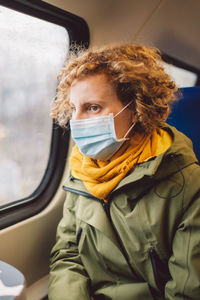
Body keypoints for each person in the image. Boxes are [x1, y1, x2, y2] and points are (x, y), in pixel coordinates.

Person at [48, 44, 200, 300]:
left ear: (136, 109)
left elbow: (187, 291)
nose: (77, 122)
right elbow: (67, 254)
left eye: (93, 107)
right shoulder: (81, 173)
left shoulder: (189, 185)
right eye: (74, 108)